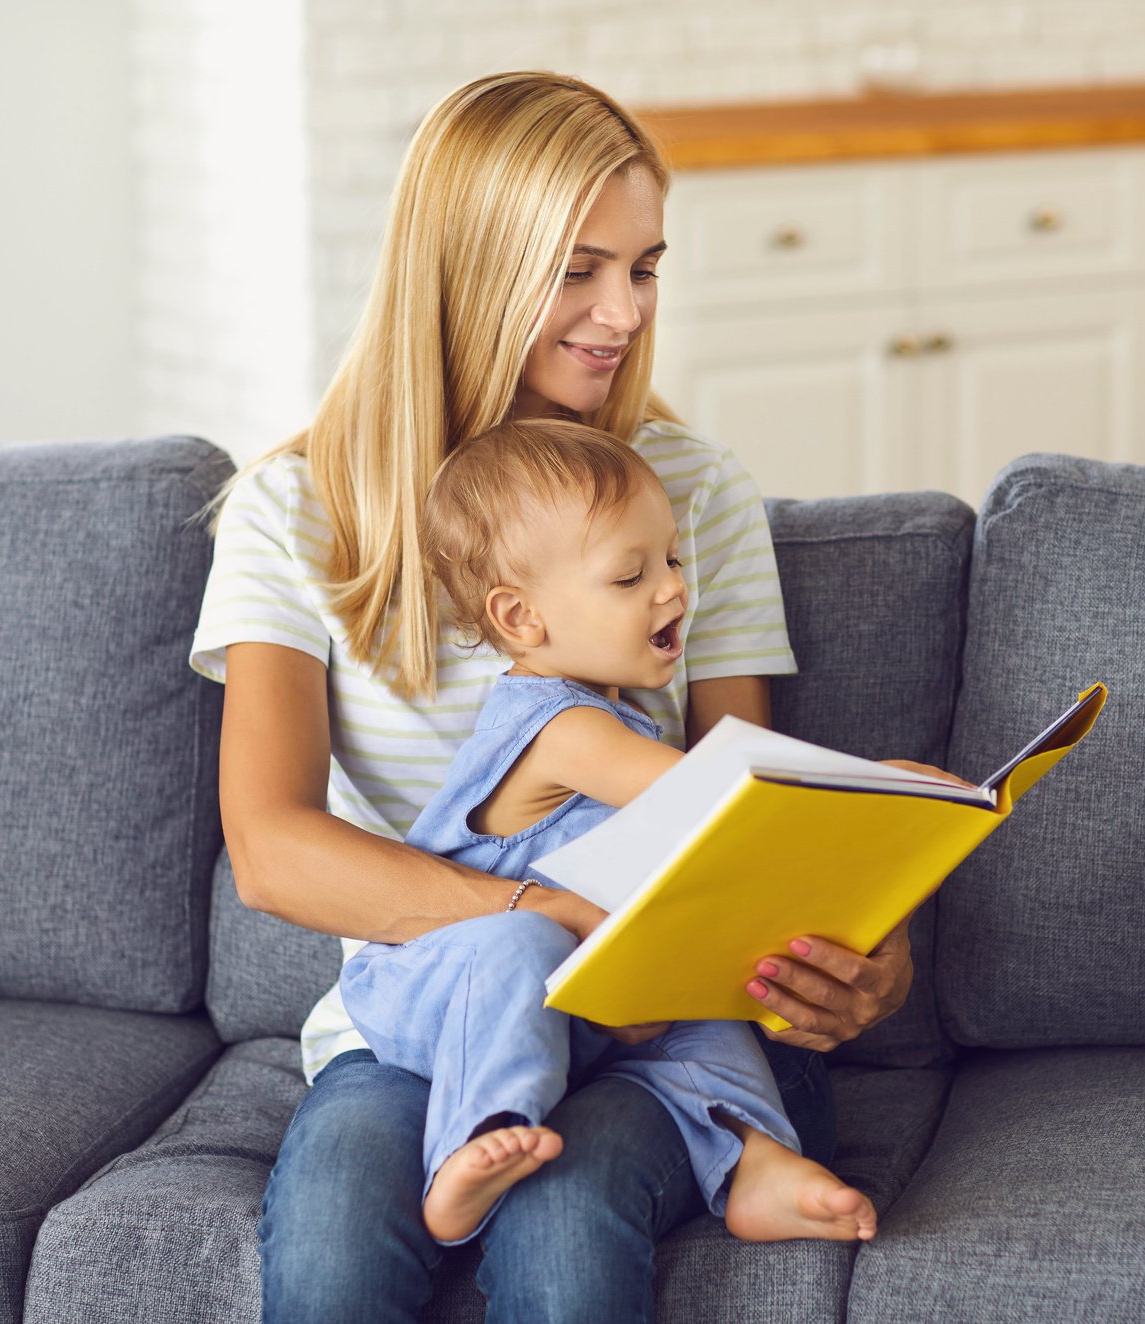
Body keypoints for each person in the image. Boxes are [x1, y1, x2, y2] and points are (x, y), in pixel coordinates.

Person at [191, 70, 921, 1323]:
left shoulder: (691, 489)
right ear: (467, 268)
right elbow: (272, 849)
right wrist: (540, 925)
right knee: (329, 1249)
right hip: (423, 1016)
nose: (623, 311)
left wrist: (873, 955)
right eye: (579, 269)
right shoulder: (295, 509)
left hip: (670, 1025)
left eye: (644, 267)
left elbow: (737, 804)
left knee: (569, 1222)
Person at [338, 417, 877, 1250]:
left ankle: (753, 1156)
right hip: (438, 987)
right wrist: (888, 791)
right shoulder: (560, 728)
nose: (672, 589)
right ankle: (469, 1147)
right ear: (521, 618)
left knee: (692, 992)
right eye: (630, 577)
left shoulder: (612, 714)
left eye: (670, 559)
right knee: (516, 940)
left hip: (569, 999)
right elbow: (718, 798)